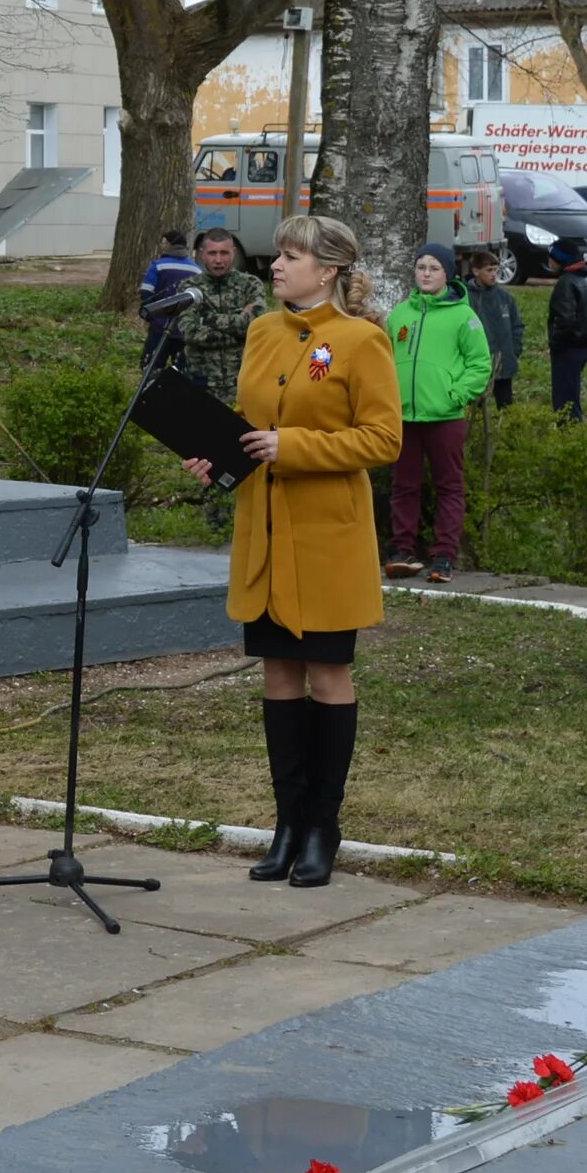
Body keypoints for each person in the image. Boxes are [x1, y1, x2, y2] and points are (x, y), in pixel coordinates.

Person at [186, 213, 400, 889]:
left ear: (328, 268)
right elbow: (251, 424)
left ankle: (321, 828)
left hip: (328, 537)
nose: (276, 264)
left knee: (328, 675)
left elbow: (382, 439)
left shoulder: (361, 340)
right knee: (278, 673)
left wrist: (294, 447)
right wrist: (219, 457)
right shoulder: (261, 330)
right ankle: (285, 823)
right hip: (266, 532)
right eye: (277, 253)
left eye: (291, 254)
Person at [381, 242, 489, 583]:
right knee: (404, 486)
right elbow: (383, 360)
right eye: (421, 267)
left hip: (445, 417)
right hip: (404, 416)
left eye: (434, 268)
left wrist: (455, 394)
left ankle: (443, 556)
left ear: (447, 275)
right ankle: (403, 551)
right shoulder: (400, 315)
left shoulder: (464, 317)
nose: (426, 274)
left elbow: (479, 364)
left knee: (449, 487)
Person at [178, 229, 265, 405]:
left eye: (224, 253)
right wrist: (237, 323)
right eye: (212, 253)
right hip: (202, 382)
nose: (218, 260)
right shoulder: (189, 288)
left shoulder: (250, 284)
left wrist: (207, 319)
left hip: (242, 382)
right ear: (202, 254)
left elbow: (256, 329)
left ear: (233, 251)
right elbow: (190, 333)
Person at [543, 236, 587, 417]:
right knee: (572, 390)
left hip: (568, 348)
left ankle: (569, 433)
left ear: (559, 260)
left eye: (551, 257)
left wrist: (556, 343)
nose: (548, 261)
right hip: (584, 346)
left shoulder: (566, 283)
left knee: (564, 397)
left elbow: (564, 320)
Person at [465, 248, 523, 412]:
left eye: (496, 270)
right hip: (478, 361)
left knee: (505, 403)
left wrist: (514, 350)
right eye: (488, 270)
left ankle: (507, 432)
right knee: (473, 404)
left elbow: (516, 326)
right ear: (476, 271)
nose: (493, 274)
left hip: (503, 359)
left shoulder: (505, 298)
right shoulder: (467, 298)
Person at [138, 228, 201, 360]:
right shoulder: (196, 269)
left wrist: (151, 314)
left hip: (160, 327)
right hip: (185, 330)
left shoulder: (158, 266)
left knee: (151, 364)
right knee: (180, 371)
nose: (162, 246)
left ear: (170, 245)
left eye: (164, 243)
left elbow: (145, 291)